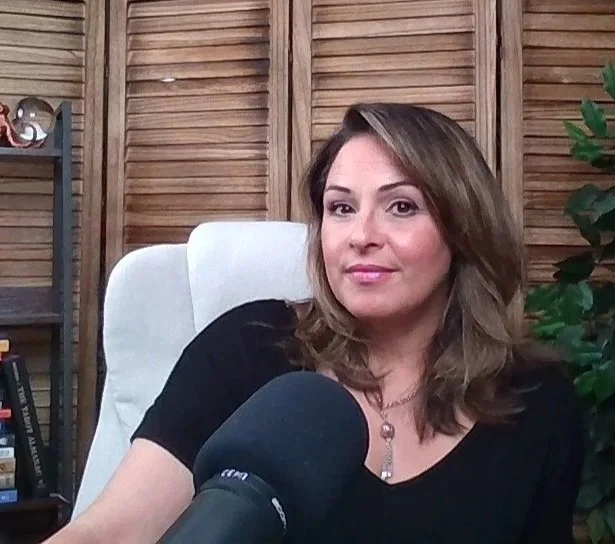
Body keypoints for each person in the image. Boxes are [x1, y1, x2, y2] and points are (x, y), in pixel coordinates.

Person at [45, 102, 584, 543]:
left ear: (463, 228)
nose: (361, 236)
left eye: (401, 207)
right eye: (341, 208)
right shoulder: (247, 348)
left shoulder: (538, 403)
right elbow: (113, 532)